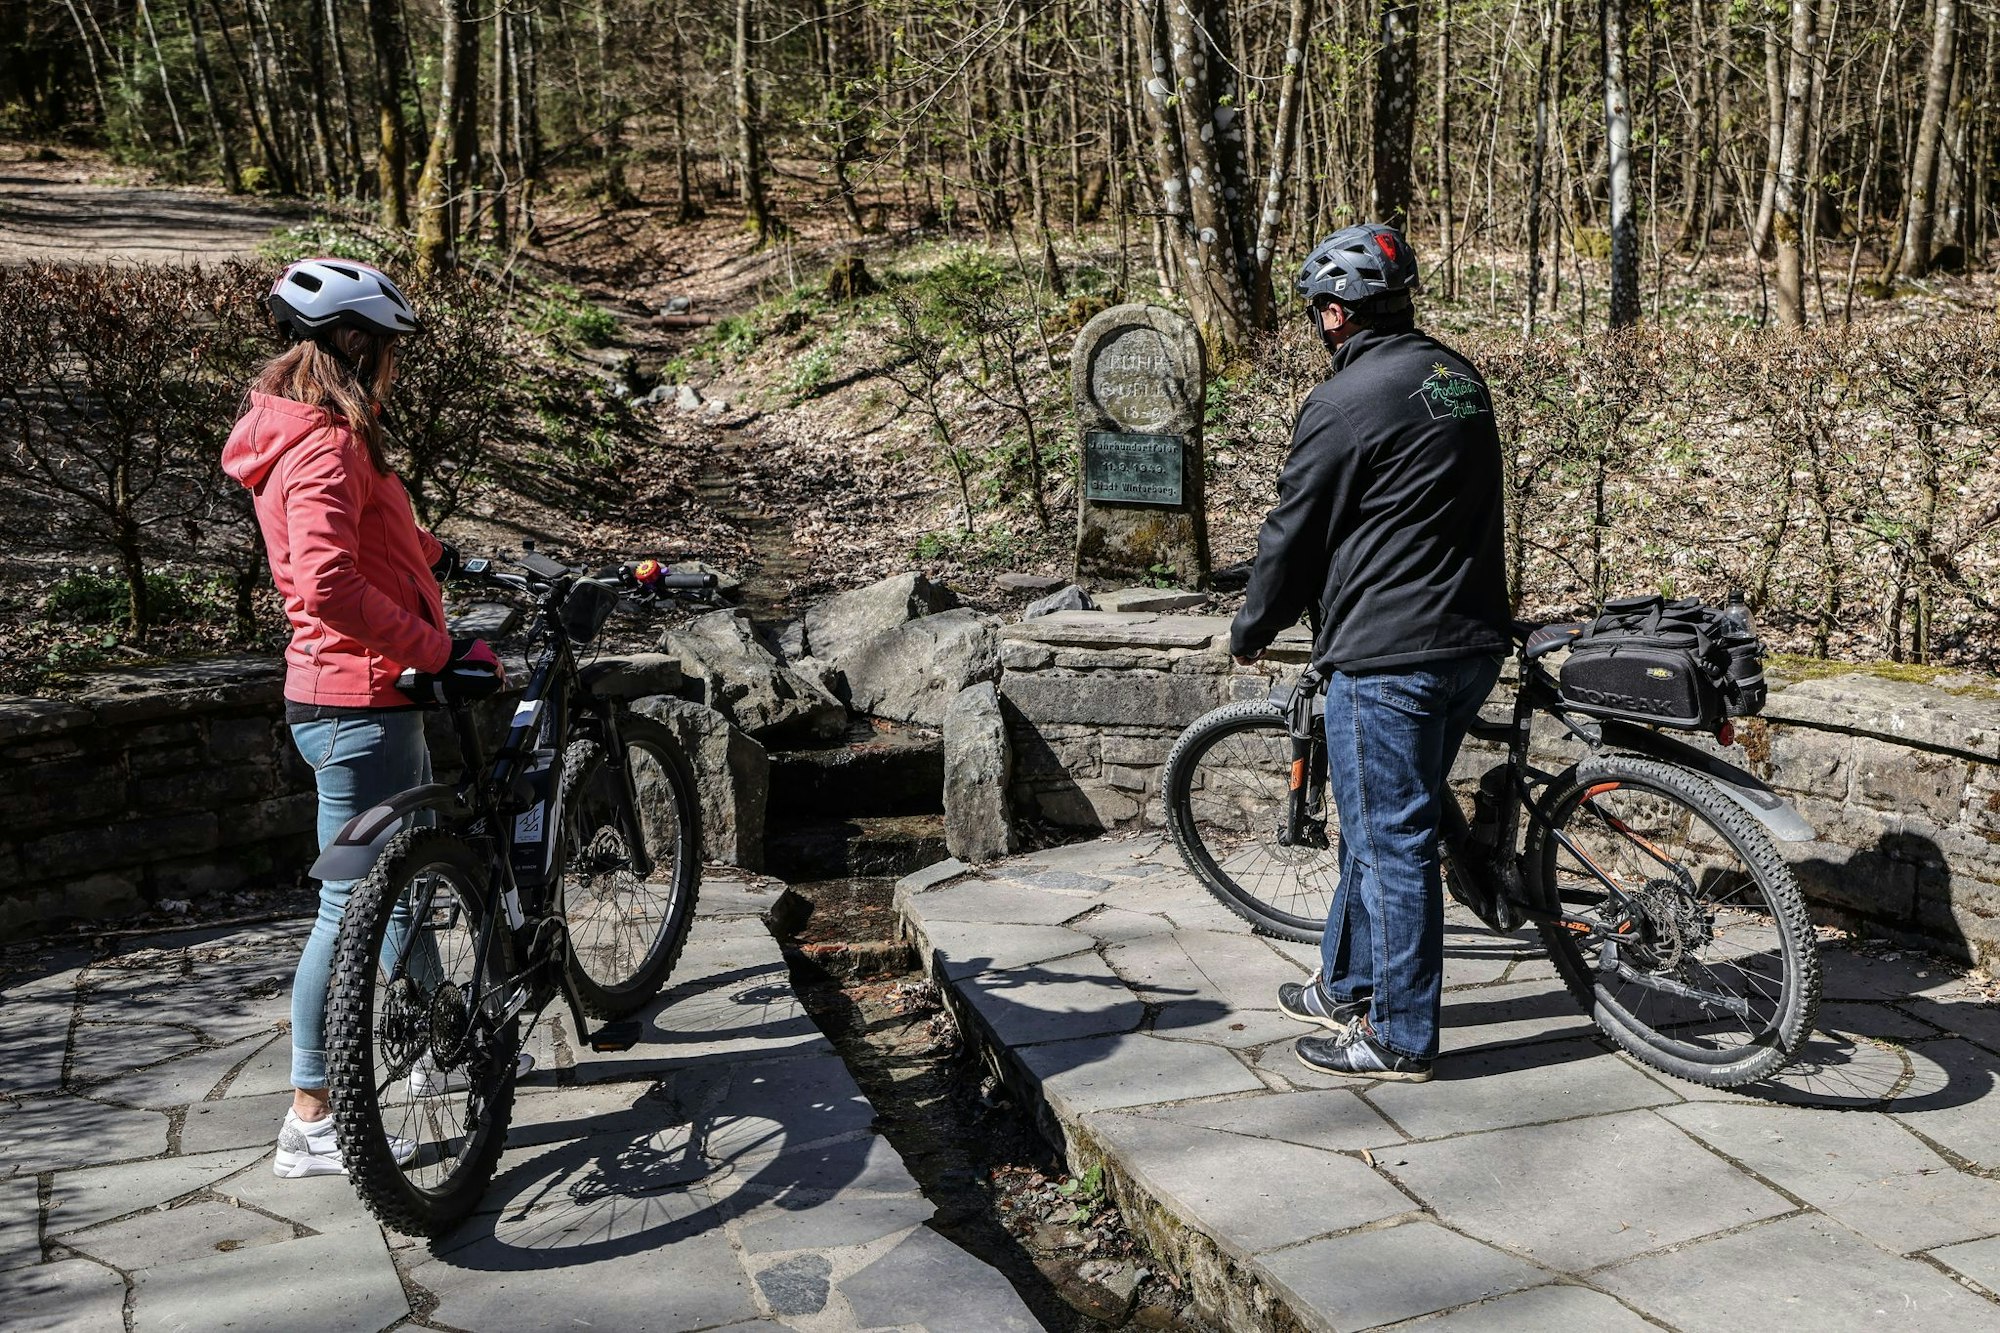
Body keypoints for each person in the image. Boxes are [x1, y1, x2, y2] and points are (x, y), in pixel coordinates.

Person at [222, 258, 516, 1177]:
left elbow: (367, 531)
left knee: (402, 888)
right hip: (359, 703)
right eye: (388, 349)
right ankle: (311, 1113)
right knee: (348, 907)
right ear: (356, 343)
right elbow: (326, 581)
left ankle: (432, 1045)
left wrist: (441, 556)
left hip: (363, 698)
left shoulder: (309, 430)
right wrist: (437, 648)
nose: (394, 365)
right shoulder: (326, 443)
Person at [1229, 223, 1511, 1083]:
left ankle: (1397, 1034)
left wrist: (1253, 626)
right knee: (1381, 816)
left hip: (1390, 656)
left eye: (1319, 308)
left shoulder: (1343, 402)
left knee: (1390, 840)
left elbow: (1292, 531)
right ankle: (1345, 981)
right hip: (1472, 641)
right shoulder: (1457, 378)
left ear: (1336, 313)